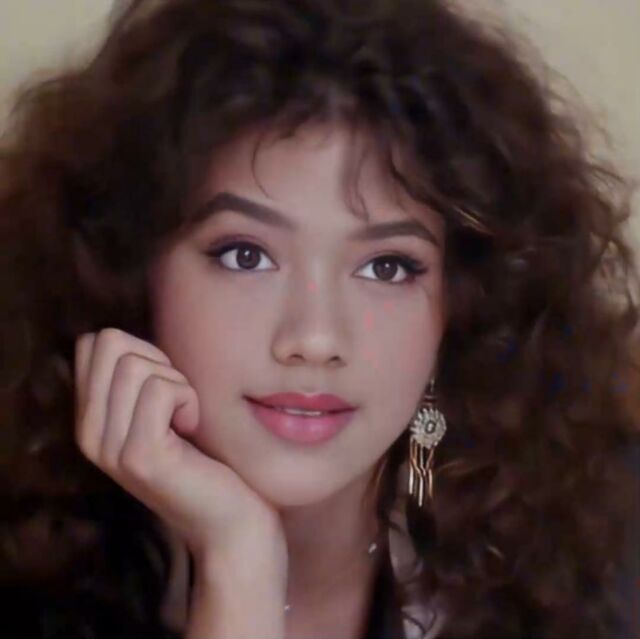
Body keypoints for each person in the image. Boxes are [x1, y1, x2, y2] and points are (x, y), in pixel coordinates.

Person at [1, 0, 639, 637]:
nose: (314, 338)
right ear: (125, 270)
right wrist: (238, 562)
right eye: (246, 255)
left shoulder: (605, 557)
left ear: (466, 303)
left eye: (387, 267)